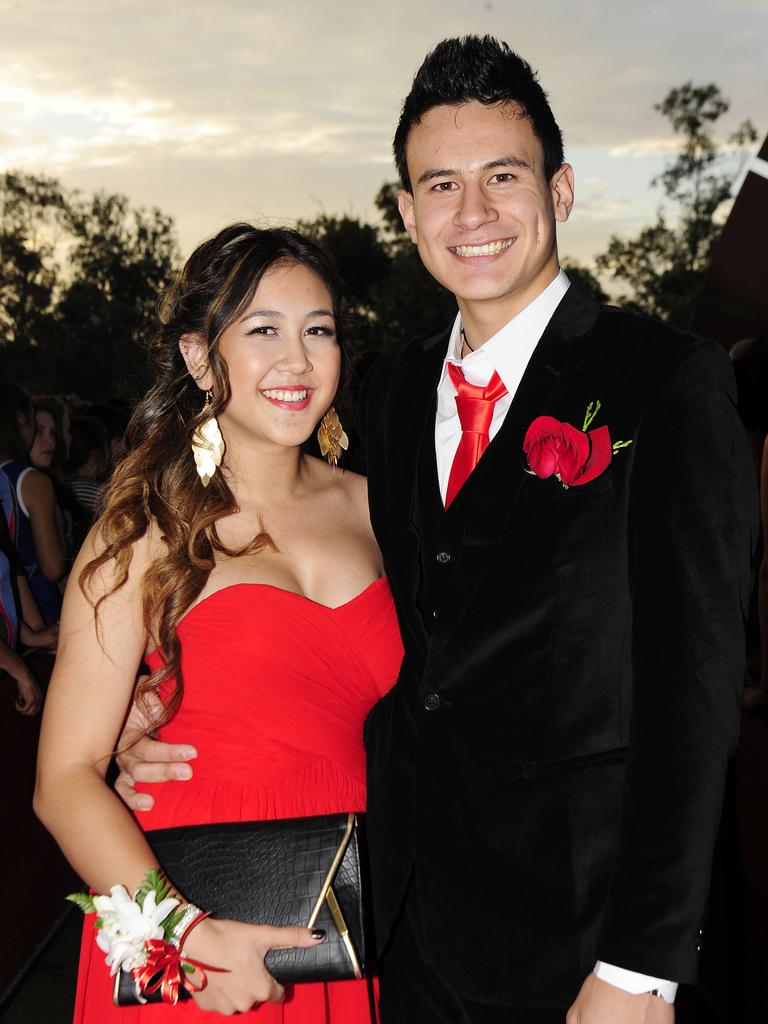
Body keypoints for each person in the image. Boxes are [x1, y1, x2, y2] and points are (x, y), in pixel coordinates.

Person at [117, 38, 756, 1023]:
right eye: (441, 185)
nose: (474, 213)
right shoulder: (399, 384)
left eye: (504, 176)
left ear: (563, 188)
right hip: (402, 932)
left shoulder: (667, 382)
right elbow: (400, 634)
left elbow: (696, 698)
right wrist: (159, 706)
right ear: (409, 213)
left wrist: (641, 966)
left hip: (587, 943)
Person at [34, 224, 402, 1020]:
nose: (297, 360)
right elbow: (63, 781)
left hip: (349, 913)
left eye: (320, 330)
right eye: (263, 329)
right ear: (201, 358)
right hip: (197, 923)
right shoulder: (142, 526)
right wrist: (185, 935)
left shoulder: (386, 513)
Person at [0, 383, 68, 625]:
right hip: (42, 613)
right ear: (21, 421)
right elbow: (53, 567)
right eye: (35, 427)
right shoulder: (32, 481)